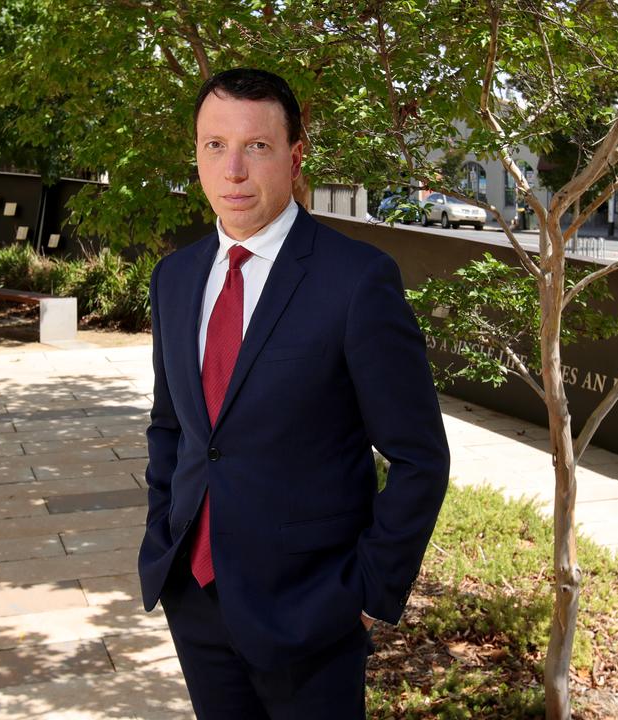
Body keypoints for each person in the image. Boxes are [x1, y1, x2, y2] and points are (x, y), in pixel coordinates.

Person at [137, 67, 450, 719]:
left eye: (256, 146)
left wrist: (368, 592)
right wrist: (161, 537)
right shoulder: (174, 278)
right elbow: (173, 428)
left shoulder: (356, 281)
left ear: (295, 156)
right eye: (214, 146)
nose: (234, 171)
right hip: (195, 601)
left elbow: (421, 457)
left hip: (313, 615)